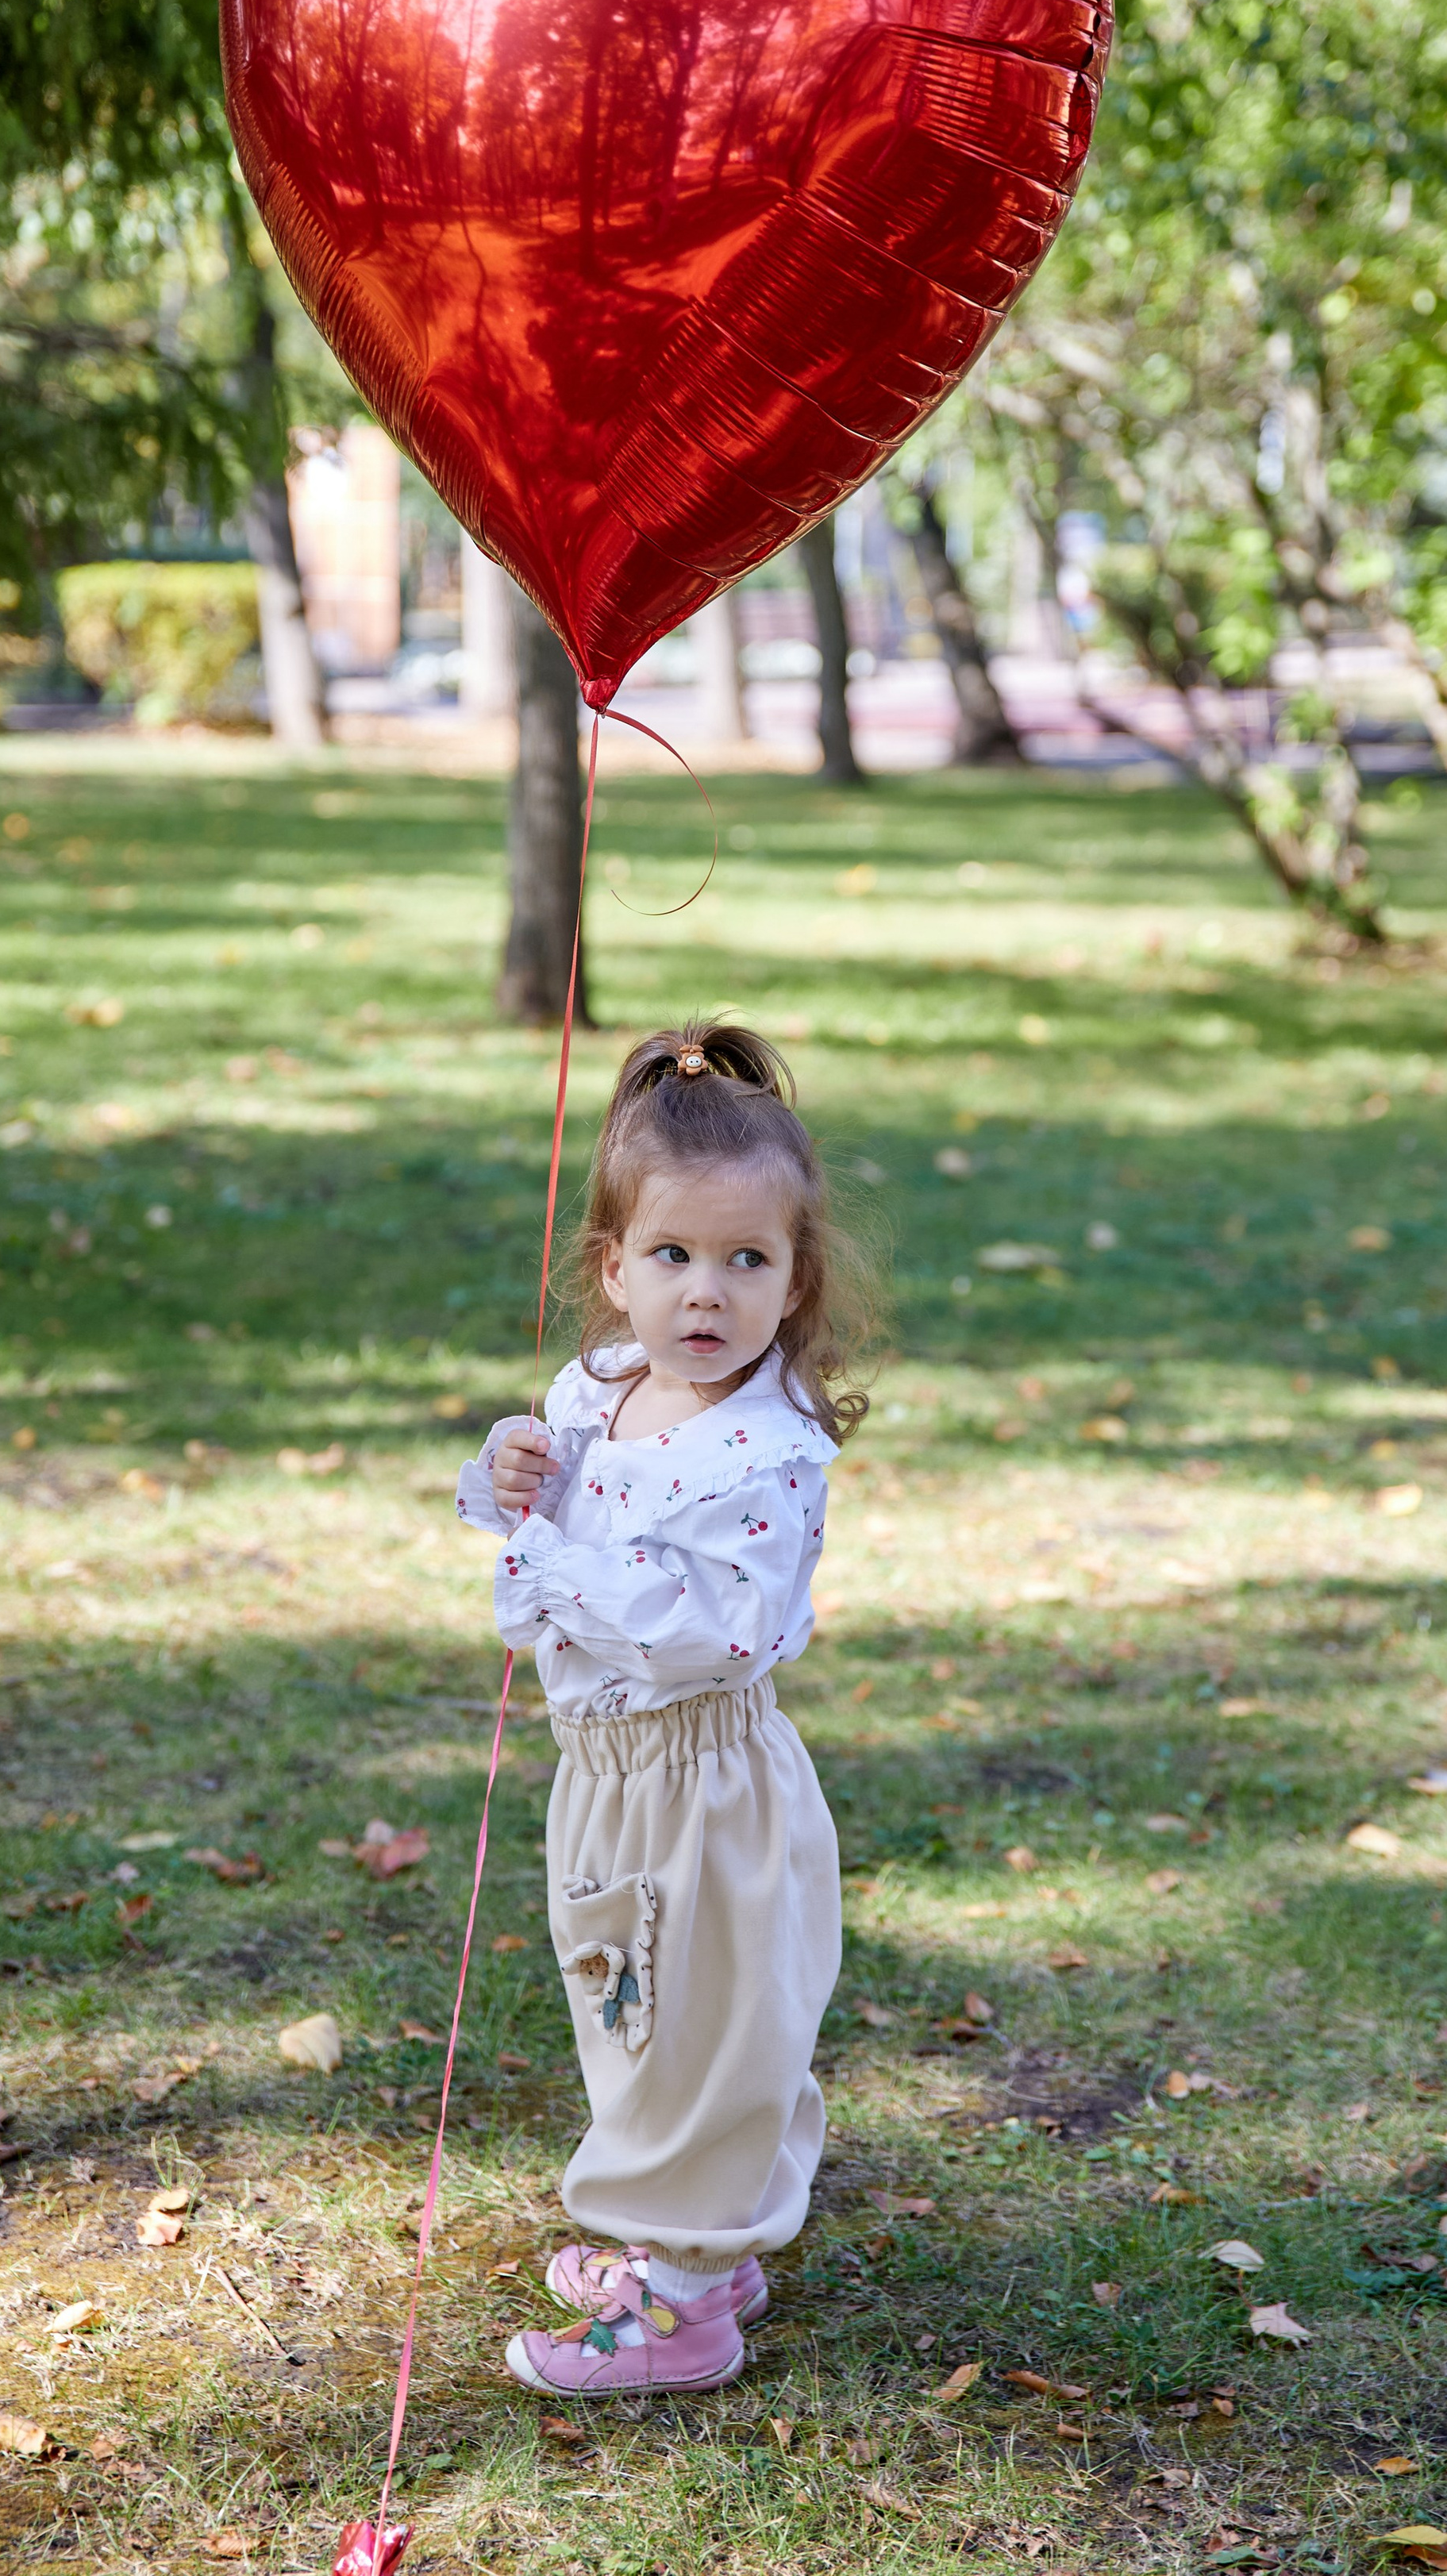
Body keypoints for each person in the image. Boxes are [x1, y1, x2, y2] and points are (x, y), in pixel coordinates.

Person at [455, 1019, 872, 2396]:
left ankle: (684, 2301)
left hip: (705, 1779)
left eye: (748, 1260)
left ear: (797, 1280)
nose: (708, 1292)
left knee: (701, 2023)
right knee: (628, 2010)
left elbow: (703, 1631)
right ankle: (701, 2239)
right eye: (674, 1257)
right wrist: (515, 1470)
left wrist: (556, 1556)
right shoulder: (607, 1390)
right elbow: (537, 1517)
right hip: (609, 1771)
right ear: (613, 1269)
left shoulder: (763, 1449)